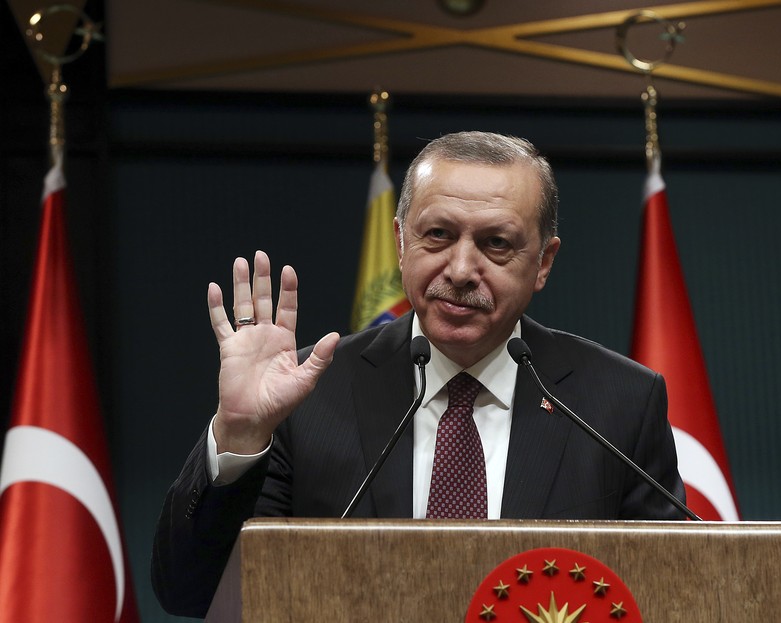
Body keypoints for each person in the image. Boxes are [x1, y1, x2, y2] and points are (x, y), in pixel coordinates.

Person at [151, 131, 686, 617]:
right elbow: (191, 592)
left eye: (496, 243)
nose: (459, 270)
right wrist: (241, 435)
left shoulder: (618, 403)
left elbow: (676, 593)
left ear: (543, 262)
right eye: (437, 235)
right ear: (401, 241)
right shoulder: (307, 396)